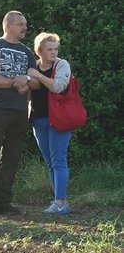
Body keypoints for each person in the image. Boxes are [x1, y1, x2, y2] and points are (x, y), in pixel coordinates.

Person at [0, 11, 40, 218]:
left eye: (26, 24)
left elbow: (37, 82)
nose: (25, 28)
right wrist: (17, 81)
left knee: (11, 157)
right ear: (8, 25)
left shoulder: (27, 52)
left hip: (20, 111)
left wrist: (27, 80)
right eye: (21, 24)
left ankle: (3, 202)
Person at [28, 32, 74, 215]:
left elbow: (58, 86)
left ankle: (61, 202)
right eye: (49, 49)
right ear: (39, 51)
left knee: (59, 161)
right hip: (38, 120)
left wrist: (37, 77)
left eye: (56, 48)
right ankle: (59, 201)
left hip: (60, 119)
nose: (54, 52)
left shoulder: (62, 65)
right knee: (50, 162)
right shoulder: (33, 67)